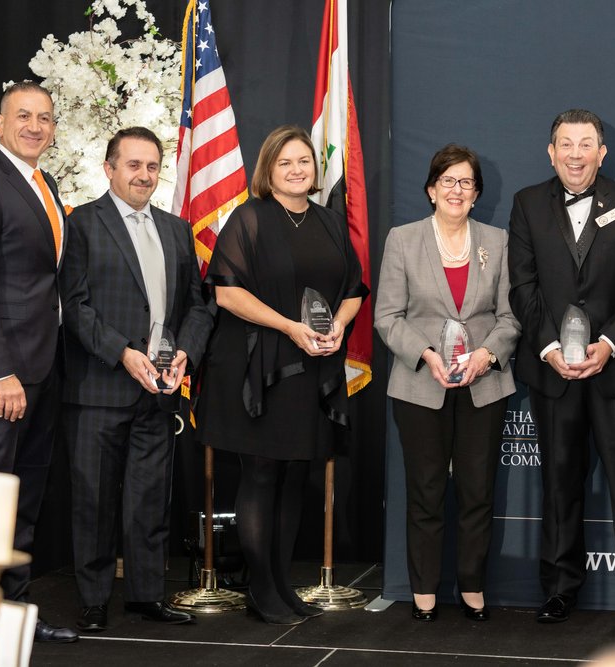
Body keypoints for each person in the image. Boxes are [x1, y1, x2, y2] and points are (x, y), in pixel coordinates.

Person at [197, 125, 367, 625]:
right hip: (259, 367)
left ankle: (282, 584)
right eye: (286, 162)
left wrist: (336, 325)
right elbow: (226, 293)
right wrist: (290, 327)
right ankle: (261, 589)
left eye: (305, 162)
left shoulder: (330, 223)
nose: (298, 170)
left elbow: (356, 287)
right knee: (263, 474)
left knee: (295, 476)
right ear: (268, 171)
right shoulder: (248, 220)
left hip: (312, 367)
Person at [507, 109, 615, 627]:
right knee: (558, 486)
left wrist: (608, 345)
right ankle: (558, 589)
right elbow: (523, 288)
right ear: (550, 152)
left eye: (585, 144)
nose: (575, 154)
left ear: (602, 152)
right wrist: (550, 347)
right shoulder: (527, 204)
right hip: (551, 373)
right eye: (565, 144)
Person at [59, 127, 213, 631]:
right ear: (110, 169)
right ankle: (95, 599)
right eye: (133, 165)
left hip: (161, 391)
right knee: (94, 500)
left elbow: (198, 303)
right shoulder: (82, 223)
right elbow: (74, 307)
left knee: (150, 498)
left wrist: (186, 350)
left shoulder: (175, 228)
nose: (144, 175)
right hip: (100, 387)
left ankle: (147, 595)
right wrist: (122, 353)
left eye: (152, 166)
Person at [0, 80, 78, 644]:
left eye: (45, 118)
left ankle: (15, 613)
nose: (35, 126)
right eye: (22, 116)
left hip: (43, 367)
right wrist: (1, 371)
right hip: (1, 374)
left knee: (25, 497)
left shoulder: (44, 183)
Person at [374, 144, 519, 623]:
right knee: (426, 492)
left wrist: (486, 355)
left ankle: (473, 587)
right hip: (421, 385)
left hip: (483, 385)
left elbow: (510, 317)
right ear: (431, 189)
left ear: (477, 194)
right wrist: (426, 355)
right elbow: (388, 317)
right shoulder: (403, 239)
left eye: (467, 183)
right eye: (448, 181)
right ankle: (424, 591)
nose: (457, 190)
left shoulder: (497, 241)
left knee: (478, 492)